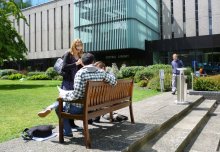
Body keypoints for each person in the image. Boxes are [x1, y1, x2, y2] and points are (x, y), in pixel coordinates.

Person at [60, 53, 117, 136]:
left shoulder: (80, 73)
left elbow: (76, 95)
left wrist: (64, 95)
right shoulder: (101, 72)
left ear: (82, 61)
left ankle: (67, 132)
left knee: (59, 107)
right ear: (93, 61)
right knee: (59, 104)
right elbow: (114, 82)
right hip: (95, 105)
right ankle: (67, 130)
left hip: (82, 107)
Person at [38, 39, 84, 128]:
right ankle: (50, 108)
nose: (79, 47)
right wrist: (76, 63)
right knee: (65, 98)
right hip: (68, 81)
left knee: (72, 101)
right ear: (73, 45)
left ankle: (71, 124)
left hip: (75, 81)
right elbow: (64, 67)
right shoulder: (68, 54)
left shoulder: (80, 55)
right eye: (77, 45)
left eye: (80, 45)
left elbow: (79, 69)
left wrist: (82, 65)